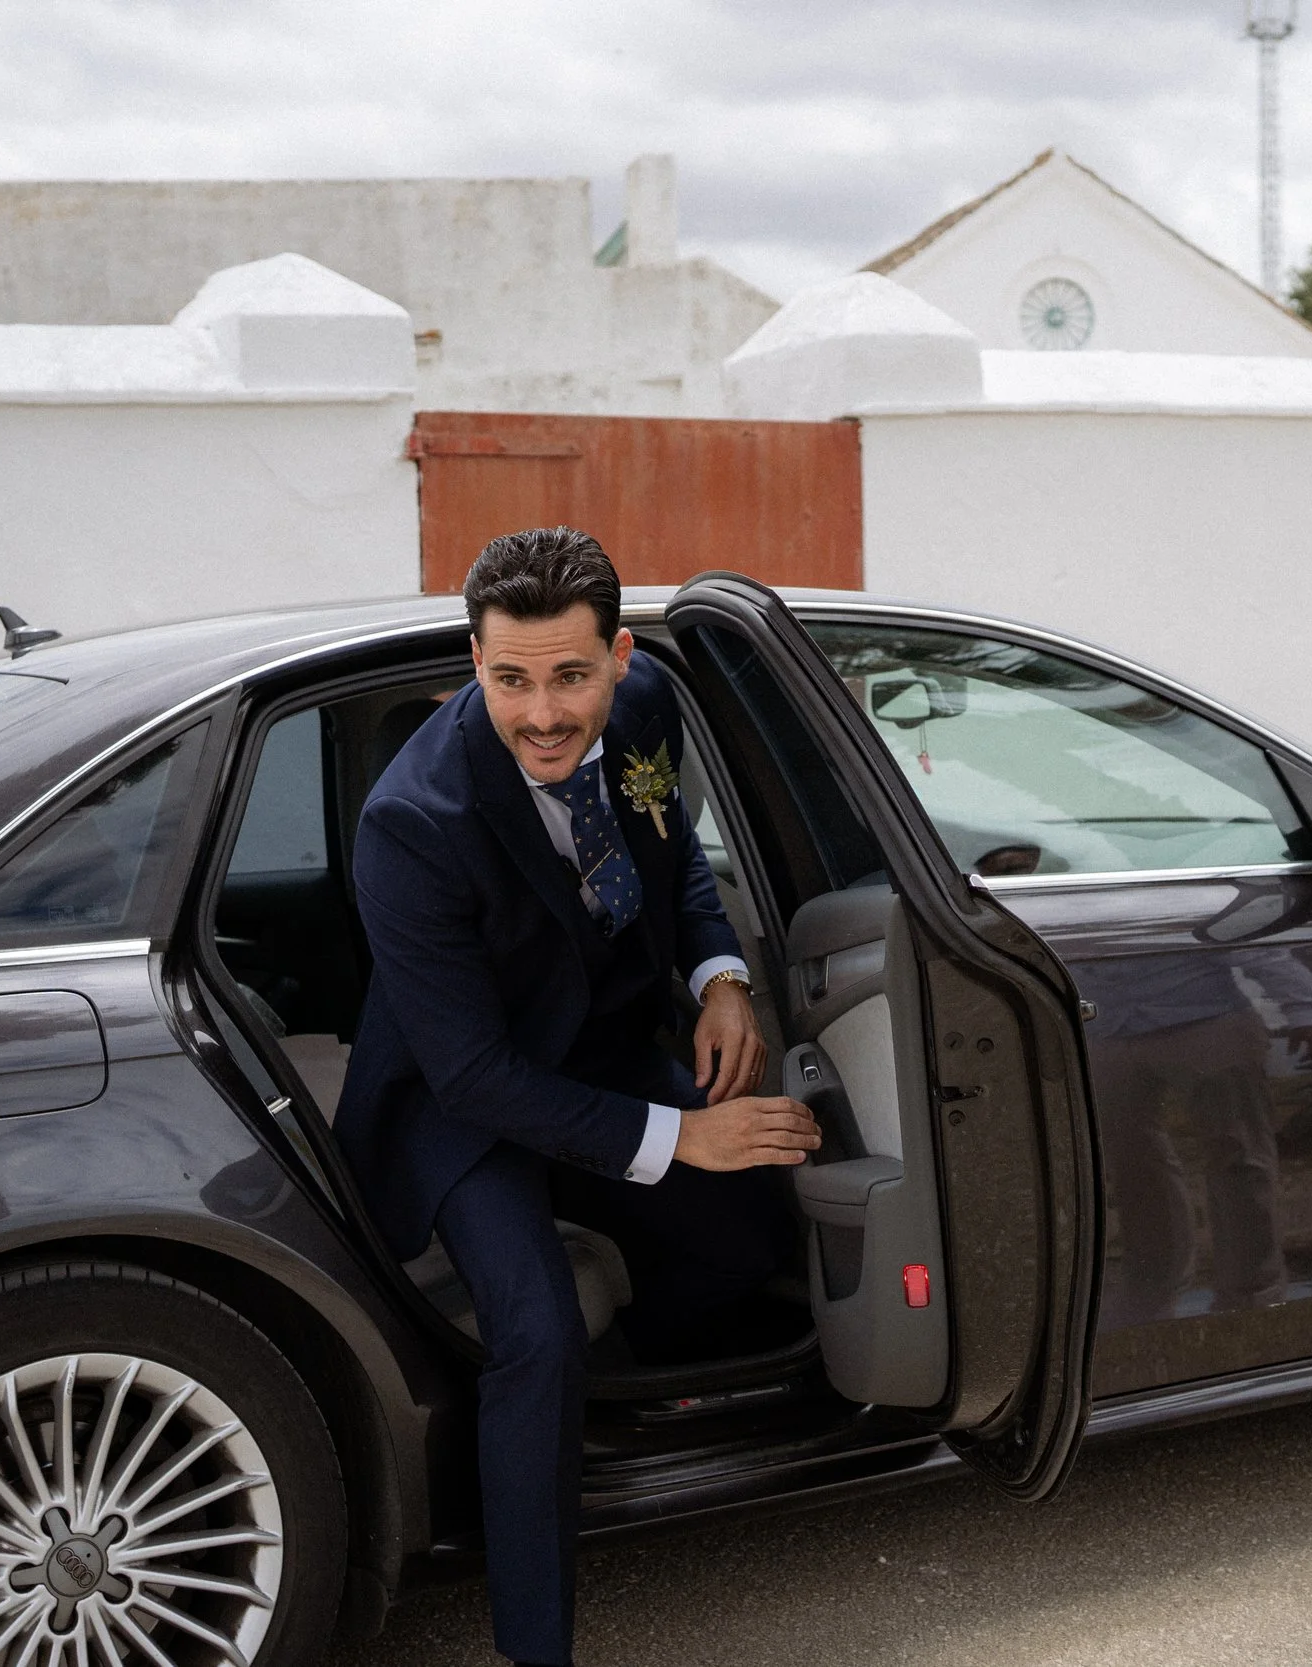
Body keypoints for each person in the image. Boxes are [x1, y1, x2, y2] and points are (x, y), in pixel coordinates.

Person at [333, 527, 819, 1667]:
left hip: (598, 1042)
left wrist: (722, 977)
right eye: (509, 679)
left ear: (618, 656)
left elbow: (672, 851)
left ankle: (620, 1400)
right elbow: (472, 1074)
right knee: (539, 1334)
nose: (543, 712)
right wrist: (679, 1135)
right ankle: (534, 1640)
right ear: (474, 661)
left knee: (753, 1231)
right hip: (464, 1099)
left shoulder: (647, 709)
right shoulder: (414, 822)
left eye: (569, 675)